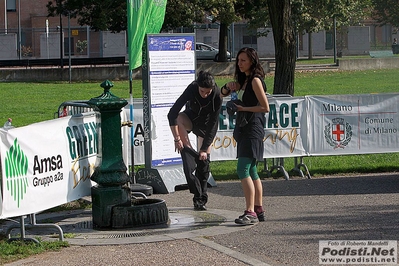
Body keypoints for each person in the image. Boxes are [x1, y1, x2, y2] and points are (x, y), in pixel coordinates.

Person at [220, 47, 270, 225]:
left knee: (243, 169)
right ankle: (258, 208)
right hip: (244, 128)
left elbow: (265, 107)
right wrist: (228, 87)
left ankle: (250, 212)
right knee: (252, 170)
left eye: (244, 61)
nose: (240, 64)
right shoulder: (245, 80)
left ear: (252, 62)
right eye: (238, 60)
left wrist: (242, 108)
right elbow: (221, 94)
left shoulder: (255, 80)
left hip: (252, 128)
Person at [168, 71, 222, 211]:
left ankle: (201, 199)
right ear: (198, 86)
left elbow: (213, 124)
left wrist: (204, 149)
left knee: (204, 161)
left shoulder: (216, 95)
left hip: (207, 124)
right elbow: (172, 113)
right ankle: (189, 152)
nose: (205, 94)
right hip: (192, 117)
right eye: (202, 91)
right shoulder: (192, 88)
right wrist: (177, 139)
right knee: (179, 119)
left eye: (208, 92)